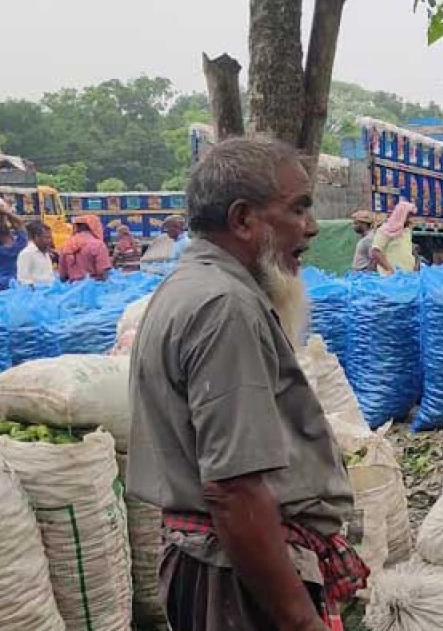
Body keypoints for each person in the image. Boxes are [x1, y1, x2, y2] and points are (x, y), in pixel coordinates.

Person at [126, 136, 364, 631]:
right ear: (242, 220)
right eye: (298, 209)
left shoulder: (192, 287)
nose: (313, 227)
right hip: (235, 577)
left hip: (225, 567)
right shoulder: (224, 307)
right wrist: (301, 621)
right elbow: (234, 490)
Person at [0, 210, 30, 291]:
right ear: (10, 233)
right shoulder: (20, 245)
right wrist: (5, 212)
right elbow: (20, 224)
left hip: (0, 284)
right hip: (17, 283)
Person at [370, 200, 419, 276]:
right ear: (401, 215)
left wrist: (415, 265)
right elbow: (376, 252)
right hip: (390, 277)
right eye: (409, 216)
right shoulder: (384, 230)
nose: (411, 220)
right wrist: (390, 269)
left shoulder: (406, 231)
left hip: (407, 276)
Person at [58, 215, 112, 282]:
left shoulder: (66, 245)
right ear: (94, 227)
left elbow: (62, 276)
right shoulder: (99, 245)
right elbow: (103, 274)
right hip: (92, 288)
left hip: (71, 288)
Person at [17, 221, 57, 288]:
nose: (50, 241)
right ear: (36, 237)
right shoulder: (27, 254)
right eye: (46, 238)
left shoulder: (45, 252)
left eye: (50, 237)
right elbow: (24, 282)